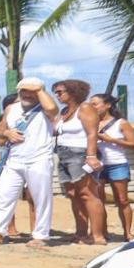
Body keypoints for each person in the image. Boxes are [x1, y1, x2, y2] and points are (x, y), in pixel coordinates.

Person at [0, 78, 58, 246]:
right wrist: (7, 132)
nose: (28, 94)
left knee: (42, 198)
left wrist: (39, 89)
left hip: (39, 158)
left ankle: (41, 236)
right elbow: (0, 129)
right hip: (14, 159)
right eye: (24, 91)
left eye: (32, 91)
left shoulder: (45, 109)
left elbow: (52, 109)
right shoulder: (11, 109)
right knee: (4, 195)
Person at [53, 79, 106, 244]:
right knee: (73, 194)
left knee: (88, 193)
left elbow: (92, 133)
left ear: (73, 92)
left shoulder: (85, 108)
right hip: (63, 154)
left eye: (60, 92)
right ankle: (81, 232)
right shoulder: (64, 111)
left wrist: (91, 156)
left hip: (80, 153)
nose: (57, 95)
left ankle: (97, 235)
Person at [91, 93, 134, 241]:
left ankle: (128, 232)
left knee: (122, 200)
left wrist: (110, 140)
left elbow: (133, 144)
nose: (92, 107)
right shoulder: (90, 122)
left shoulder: (121, 123)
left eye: (95, 104)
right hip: (97, 165)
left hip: (117, 163)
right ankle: (102, 232)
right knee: (98, 200)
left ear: (108, 105)